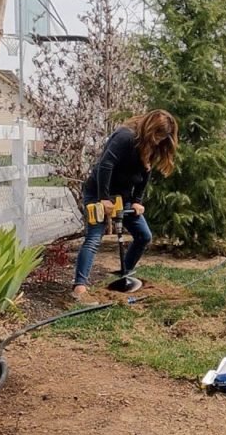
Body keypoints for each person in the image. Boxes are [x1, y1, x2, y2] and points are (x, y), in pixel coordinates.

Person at [72, 109, 178, 303]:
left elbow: (145, 174)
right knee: (95, 238)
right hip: (98, 192)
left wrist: (137, 201)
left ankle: (124, 275)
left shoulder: (150, 144)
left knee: (144, 235)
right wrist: (103, 198)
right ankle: (79, 287)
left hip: (124, 196)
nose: (158, 141)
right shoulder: (125, 137)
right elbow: (106, 165)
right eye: (157, 135)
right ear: (149, 128)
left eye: (163, 138)